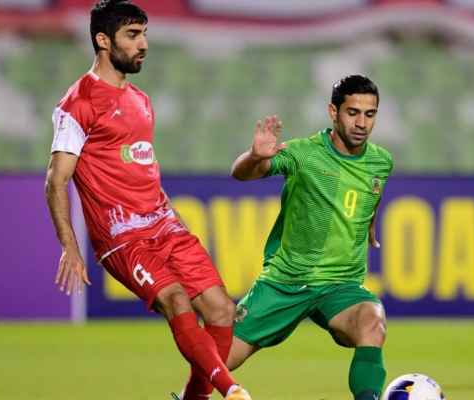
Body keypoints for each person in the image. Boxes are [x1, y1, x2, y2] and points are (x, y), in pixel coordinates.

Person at [44, 1, 251, 399]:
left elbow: (145, 170)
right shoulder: (79, 103)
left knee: (222, 310)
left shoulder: (140, 99)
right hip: (123, 238)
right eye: (133, 35)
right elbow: (56, 180)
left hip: (165, 227)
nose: (144, 45)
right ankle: (232, 391)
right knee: (177, 301)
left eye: (145, 34)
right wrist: (70, 245)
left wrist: (174, 219)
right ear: (103, 41)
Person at [229, 75, 393, 399]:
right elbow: (242, 173)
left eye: (369, 114)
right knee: (215, 362)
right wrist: (254, 155)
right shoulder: (304, 153)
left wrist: (370, 219)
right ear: (333, 112)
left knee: (372, 322)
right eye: (353, 112)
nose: (361, 122)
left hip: (340, 285)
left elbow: (369, 193)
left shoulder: (381, 161)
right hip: (287, 281)